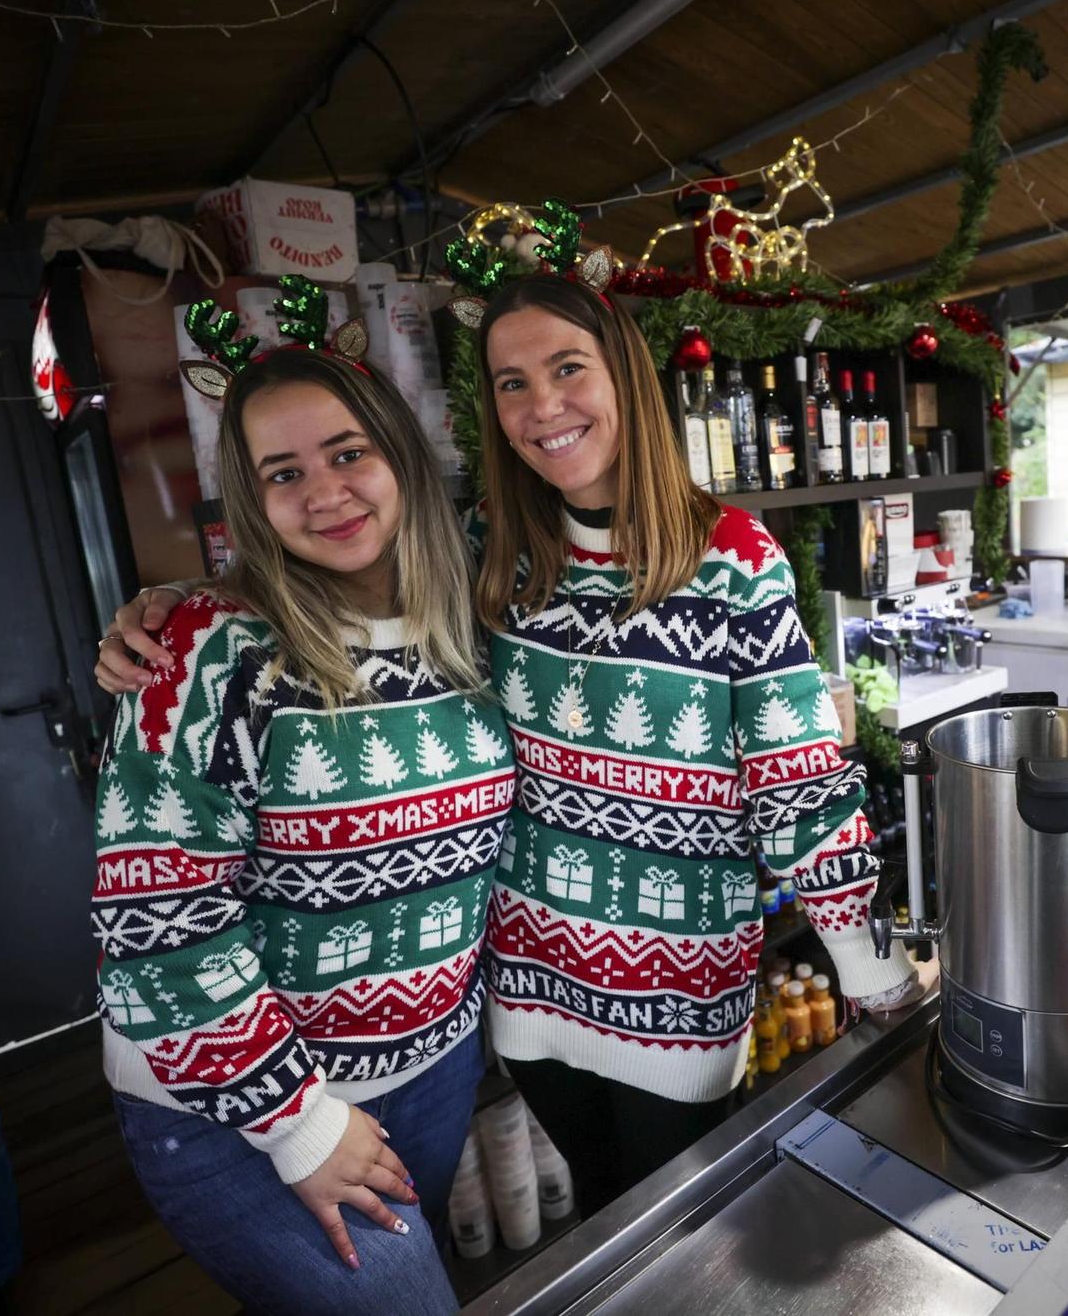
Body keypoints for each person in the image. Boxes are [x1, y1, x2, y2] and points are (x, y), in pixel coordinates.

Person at [99, 273, 922, 1219]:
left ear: (627, 378)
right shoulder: (491, 550)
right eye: (510, 383)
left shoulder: (734, 558)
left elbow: (801, 787)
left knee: (671, 1239)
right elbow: (315, 575)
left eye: (568, 368)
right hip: (524, 1003)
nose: (543, 406)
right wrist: (160, 613)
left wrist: (865, 966)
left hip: (679, 1003)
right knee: (601, 1238)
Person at [91, 342, 512, 1315]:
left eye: (345, 452)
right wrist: (296, 1123)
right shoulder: (212, 644)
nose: (322, 490)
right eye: (284, 472)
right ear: (252, 498)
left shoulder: (469, 624)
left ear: (401, 456)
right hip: (231, 1101)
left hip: (430, 1069)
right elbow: (158, 927)